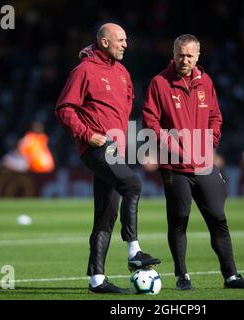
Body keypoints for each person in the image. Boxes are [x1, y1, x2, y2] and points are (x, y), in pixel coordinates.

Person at [143, 34, 244, 290]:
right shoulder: (159, 83)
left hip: (203, 163)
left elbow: (215, 116)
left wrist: (211, 141)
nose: (184, 60)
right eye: (179, 54)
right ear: (173, 54)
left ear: (197, 56)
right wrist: (169, 144)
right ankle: (182, 276)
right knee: (179, 219)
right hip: (174, 167)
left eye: (189, 55)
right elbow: (150, 121)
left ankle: (231, 276)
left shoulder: (205, 82)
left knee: (218, 218)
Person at [55, 23, 160, 294]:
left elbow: (124, 110)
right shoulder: (84, 71)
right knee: (133, 185)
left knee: (106, 215)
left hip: (117, 148)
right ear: (104, 42)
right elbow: (64, 109)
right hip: (97, 146)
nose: (126, 44)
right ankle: (134, 251)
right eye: (121, 40)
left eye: (126, 39)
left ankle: (97, 280)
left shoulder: (123, 73)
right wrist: (87, 134)